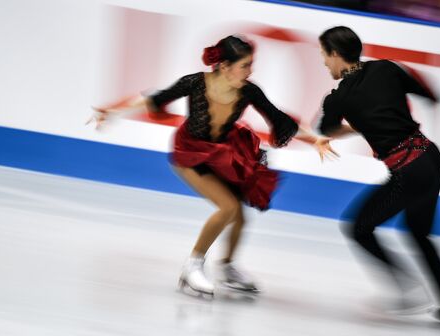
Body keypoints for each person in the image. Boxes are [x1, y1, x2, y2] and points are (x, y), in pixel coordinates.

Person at [87, 35, 335, 297]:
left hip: (221, 153)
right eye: (245, 65)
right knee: (227, 207)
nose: (250, 70)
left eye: (251, 64)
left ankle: (227, 267)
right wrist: (113, 111)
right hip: (191, 154)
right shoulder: (195, 82)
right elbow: (154, 100)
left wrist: (315, 139)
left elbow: (280, 118)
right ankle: (192, 267)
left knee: (239, 215)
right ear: (225, 66)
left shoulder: (248, 90)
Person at [316, 26, 440, 325]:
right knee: (418, 233)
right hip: (430, 159)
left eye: (324, 55)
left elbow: (326, 130)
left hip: (408, 171)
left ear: (336, 54)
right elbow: (426, 92)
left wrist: (357, 125)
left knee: (359, 228)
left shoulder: (338, 97)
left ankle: (409, 288)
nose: (324, 62)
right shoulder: (386, 68)